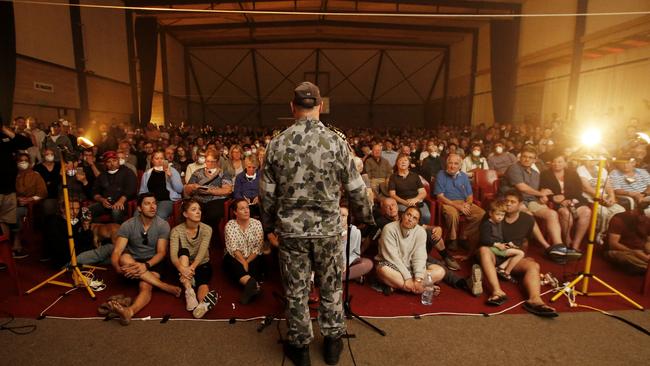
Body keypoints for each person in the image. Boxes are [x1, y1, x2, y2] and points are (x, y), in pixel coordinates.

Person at [260, 81, 373, 366]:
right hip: (328, 232)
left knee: (297, 291)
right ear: (320, 106)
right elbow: (357, 188)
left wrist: (270, 224)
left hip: (292, 232)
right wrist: (367, 218)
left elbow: (266, 194)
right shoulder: (337, 141)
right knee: (331, 286)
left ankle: (300, 348)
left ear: (292, 107)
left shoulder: (278, 143)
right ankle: (333, 344)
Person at [477, 190, 558, 317]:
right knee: (483, 249)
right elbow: (481, 238)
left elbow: (525, 241)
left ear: (520, 204)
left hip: (511, 256)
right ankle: (497, 292)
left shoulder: (527, 219)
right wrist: (469, 255)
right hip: (493, 254)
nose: (508, 204)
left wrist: (524, 256)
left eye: (512, 202)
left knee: (534, 265)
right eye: (506, 201)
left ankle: (535, 299)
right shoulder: (493, 215)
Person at [107, 193, 182, 325]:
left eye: (154, 203)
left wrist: (146, 265)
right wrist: (117, 268)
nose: (152, 207)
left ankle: (129, 312)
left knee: (145, 285)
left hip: (154, 262)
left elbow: (161, 252)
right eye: (147, 204)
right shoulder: (128, 225)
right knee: (124, 257)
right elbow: (117, 251)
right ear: (139, 208)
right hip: (132, 263)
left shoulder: (162, 225)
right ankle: (164, 286)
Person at [498, 145, 572, 259]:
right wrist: (541, 194)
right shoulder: (514, 168)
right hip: (512, 200)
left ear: (535, 160)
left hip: (530, 200)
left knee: (552, 214)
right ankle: (547, 247)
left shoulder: (535, 173)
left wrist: (542, 196)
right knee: (528, 215)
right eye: (524, 156)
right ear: (520, 157)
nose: (527, 159)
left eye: (530, 157)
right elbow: (522, 187)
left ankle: (558, 246)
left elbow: (536, 190)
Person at [374, 206, 445, 295]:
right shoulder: (389, 228)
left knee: (440, 271)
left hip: (410, 266)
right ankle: (422, 289)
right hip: (392, 265)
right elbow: (392, 257)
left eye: (414, 218)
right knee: (383, 270)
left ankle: (401, 286)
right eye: (408, 215)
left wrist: (418, 278)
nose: (410, 219)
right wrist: (407, 277)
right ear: (403, 215)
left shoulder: (421, 232)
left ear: (417, 222)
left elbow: (419, 257)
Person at [169, 199, 217, 318]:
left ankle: (201, 306)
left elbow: (202, 252)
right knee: (183, 251)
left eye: (199, 210)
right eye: (194, 210)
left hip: (201, 263)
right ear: (185, 214)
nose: (198, 212)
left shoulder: (207, 229)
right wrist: (182, 268)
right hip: (182, 264)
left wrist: (191, 269)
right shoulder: (176, 231)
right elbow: (173, 255)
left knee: (203, 284)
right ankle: (189, 290)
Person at [539, 153, 591, 257]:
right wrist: (553, 198)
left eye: (560, 161)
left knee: (586, 211)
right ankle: (567, 240)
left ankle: (575, 245)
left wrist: (566, 197)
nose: (556, 164)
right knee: (566, 214)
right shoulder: (545, 174)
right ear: (551, 163)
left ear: (565, 163)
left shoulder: (572, 173)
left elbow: (578, 190)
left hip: (574, 200)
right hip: (556, 203)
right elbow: (543, 191)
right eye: (554, 161)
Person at [434, 153, 485, 251]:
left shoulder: (464, 176)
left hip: (463, 202)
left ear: (460, 166)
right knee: (452, 214)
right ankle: (453, 239)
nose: (452, 166)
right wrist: (458, 206)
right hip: (448, 202)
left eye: (456, 164)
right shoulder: (441, 174)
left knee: (481, 214)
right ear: (446, 164)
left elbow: (470, 195)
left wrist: (468, 204)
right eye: (450, 163)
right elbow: (439, 196)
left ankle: (463, 236)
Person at [224, 199, 265, 304]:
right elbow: (233, 248)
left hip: (253, 256)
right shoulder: (230, 225)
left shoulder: (257, 224)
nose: (246, 211)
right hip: (237, 257)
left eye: (247, 207)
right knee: (231, 263)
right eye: (242, 209)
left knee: (256, 264)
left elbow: (258, 247)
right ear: (235, 212)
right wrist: (243, 261)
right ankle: (253, 284)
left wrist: (248, 261)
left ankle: (250, 284)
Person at [184, 149, 233, 238]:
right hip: (198, 199)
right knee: (190, 210)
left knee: (211, 213)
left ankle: (206, 238)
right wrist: (192, 187)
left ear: (217, 161)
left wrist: (210, 190)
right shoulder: (197, 173)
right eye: (207, 161)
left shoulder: (223, 173)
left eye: (212, 161)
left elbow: (227, 190)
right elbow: (187, 190)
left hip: (216, 200)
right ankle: (191, 237)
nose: (209, 163)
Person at [576, 157, 625, 244]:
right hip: (589, 199)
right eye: (590, 157)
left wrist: (612, 197)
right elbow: (586, 188)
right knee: (603, 212)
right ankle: (599, 233)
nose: (593, 159)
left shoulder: (602, 170)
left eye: (595, 157)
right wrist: (602, 198)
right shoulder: (581, 169)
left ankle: (611, 235)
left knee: (621, 210)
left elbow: (608, 186)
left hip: (604, 198)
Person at [479, 201, 524, 283]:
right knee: (520, 254)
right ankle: (506, 272)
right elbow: (484, 239)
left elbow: (501, 236)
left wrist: (509, 243)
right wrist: (497, 245)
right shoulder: (487, 224)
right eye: (498, 214)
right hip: (491, 247)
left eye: (502, 215)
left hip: (498, 246)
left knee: (517, 252)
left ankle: (501, 268)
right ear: (490, 213)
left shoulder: (499, 223)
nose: (500, 217)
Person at [13, 153, 47, 258]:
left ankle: (16, 243)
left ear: (29, 162)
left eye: (25, 160)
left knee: (15, 213)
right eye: (20, 161)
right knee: (10, 212)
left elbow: (43, 192)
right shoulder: (13, 176)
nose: (23, 163)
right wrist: (16, 199)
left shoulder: (35, 175)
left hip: (31, 206)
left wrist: (30, 199)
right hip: (14, 203)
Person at [90, 151, 137, 224]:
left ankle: (118, 234)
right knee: (87, 211)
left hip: (123, 203)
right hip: (106, 203)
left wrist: (121, 200)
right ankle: (94, 233)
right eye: (109, 162)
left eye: (114, 161)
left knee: (116, 211)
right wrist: (102, 200)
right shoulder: (102, 175)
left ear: (118, 160)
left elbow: (131, 189)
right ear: (105, 164)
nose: (112, 164)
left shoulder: (128, 172)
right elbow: (94, 192)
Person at [604, 203, 650, 274]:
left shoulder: (647, 220)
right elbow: (613, 244)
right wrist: (634, 252)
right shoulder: (619, 219)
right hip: (623, 251)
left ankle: (644, 267)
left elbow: (647, 241)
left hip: (640, 251)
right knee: (618, 256)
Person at [138, 150, 184, 220]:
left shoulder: (172, 171)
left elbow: (179, 189)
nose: (159, 161)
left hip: (166, 200)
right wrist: (144, 203)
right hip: (151, 201)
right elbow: (142, 192)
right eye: (157, 158)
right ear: (152, 161)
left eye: (161, 158)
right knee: (137, 215)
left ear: (165, 160)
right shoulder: (147, 174)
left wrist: (171, 176)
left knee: (159, 216)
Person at [388, 153, 430, 225]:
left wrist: (414, 200)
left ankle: (421, 233)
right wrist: (406, 203)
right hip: (401, 203)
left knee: (426, 216)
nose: (403, 162)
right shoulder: (393, 177)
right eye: (401, 160)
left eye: (405, 160)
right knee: (409, 217)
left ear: (409, 163)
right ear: (397, 163)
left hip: (416, 201)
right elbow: (392, 195)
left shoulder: (415, 176)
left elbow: (423, 192)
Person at [339, 206, 373, 281]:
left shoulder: (355, 232)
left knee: (367, 263)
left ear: (349, 218)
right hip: (331, 262)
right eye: (338, 214)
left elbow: (356, 253)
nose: (340, 217)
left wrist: (345, 264)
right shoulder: (328, 231)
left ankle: (336, 277)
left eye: (343, 215)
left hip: (348, 262)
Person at [33, 147, 62, 217]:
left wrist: (50, 182)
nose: (50, 156)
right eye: (47, 154)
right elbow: (42, 184)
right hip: (46, 196)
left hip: (59, 194)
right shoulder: (38, 167)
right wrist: (58, 178)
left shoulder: (59, 165)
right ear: (43, 155)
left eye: (52, 154)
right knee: (49, 207)